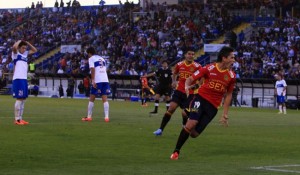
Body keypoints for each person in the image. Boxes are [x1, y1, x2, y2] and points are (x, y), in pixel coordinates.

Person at [169, 46, 236, 160]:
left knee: (194, 134)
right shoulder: (209, 68)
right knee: (192, 123)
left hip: (213, 107)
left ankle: (187, 114)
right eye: (232, 57)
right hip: (200, 98)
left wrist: (225, 114)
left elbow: (229, 94)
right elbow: (190, 78)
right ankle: (176, 151)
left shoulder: (231, 76)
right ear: (224, 58)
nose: (234, 60)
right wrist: (186, 86)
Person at [153, 48, 201, 136]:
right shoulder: (179, 64)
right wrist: (174, 81)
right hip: (179, 91)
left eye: (192, 54)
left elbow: (201, 78)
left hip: (190, 93)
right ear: (185, 55)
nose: (191, 56)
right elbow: (174, 73)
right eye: (189, 54)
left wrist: (197, 85)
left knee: (184, 113)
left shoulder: (197, 66)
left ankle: (184, 125)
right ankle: (160, 129)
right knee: (171, 108)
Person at [12, 40, 37, 125]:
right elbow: (14, 47)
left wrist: (27, 43)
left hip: (24, 79)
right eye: (23, 48)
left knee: (23, 99)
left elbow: (34, 50)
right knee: (19, 99)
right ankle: (16, 119)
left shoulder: (25, 54)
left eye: (25, 48)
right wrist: (19, 41)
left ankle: (20, 118)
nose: (24, 49)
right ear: (19, 48)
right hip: (18, 78)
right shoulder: (16, 55)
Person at [82, 47, 110, 122]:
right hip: (105, 79)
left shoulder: (91, 59)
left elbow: (92, 69)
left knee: (92, 98)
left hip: (98, 80)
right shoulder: (102, 58)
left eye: (87, 54)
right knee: (105, 98)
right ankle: (106, 117)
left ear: (89, 53)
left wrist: (93, 80)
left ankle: (89, 117)